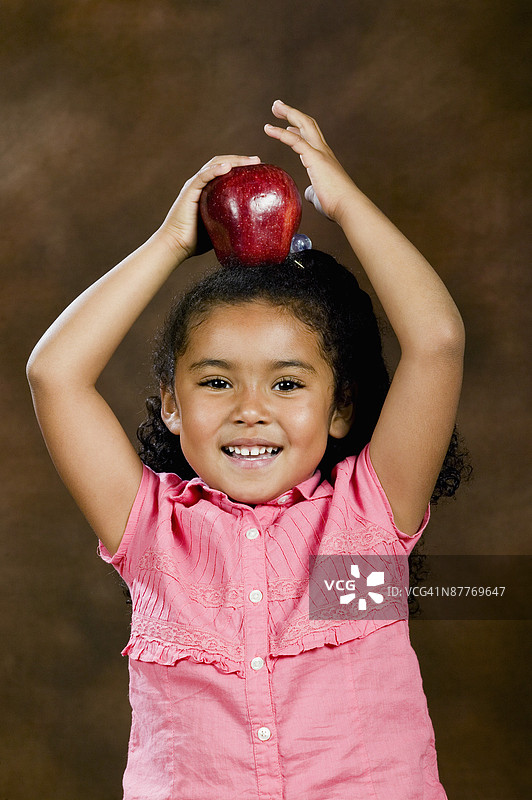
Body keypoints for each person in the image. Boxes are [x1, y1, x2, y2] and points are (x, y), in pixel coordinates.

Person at [27, 100, 467, 799]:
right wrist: (171, 241)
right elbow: (54, 375)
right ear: (172, 403)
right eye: (216, 381)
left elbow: (437, 342)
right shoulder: (149, 531)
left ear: (341, 406)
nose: (250, 410)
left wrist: (347, 204)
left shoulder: (367, 523)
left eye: (288, 382)